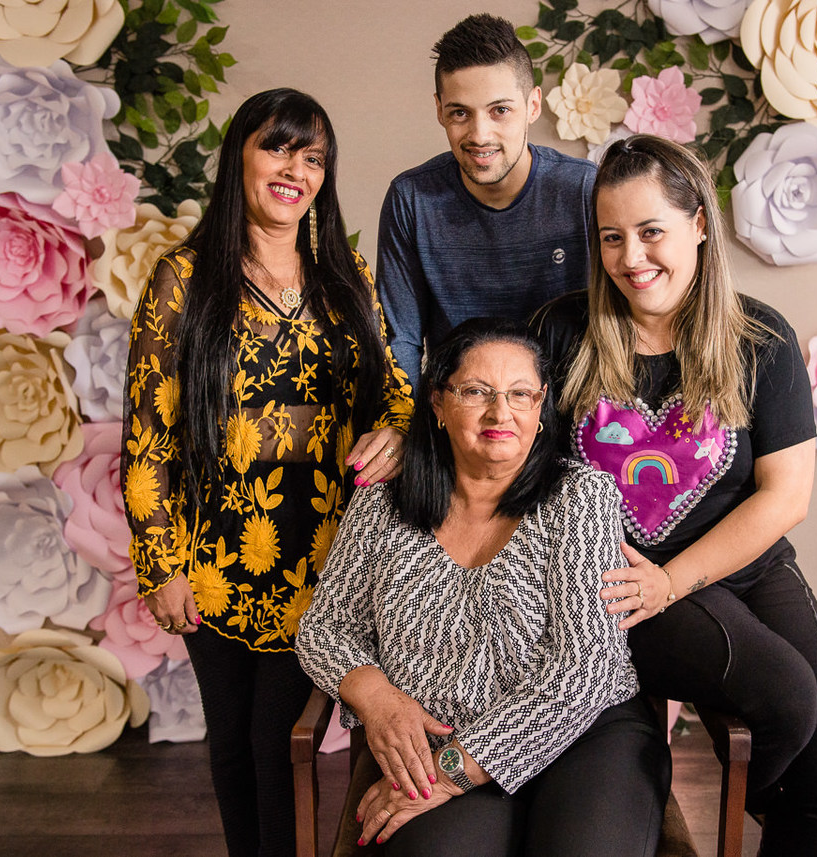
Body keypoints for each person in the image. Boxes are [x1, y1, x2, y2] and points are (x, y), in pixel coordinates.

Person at [532, 135, 817, 856]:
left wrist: (678, 578)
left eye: (650, 231)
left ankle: (776, 807)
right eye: (612, 237)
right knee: (786, 694)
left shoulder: (760, 338)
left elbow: (785, 497)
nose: (631, 257)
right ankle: (759, 795)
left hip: (744, 564)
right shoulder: (562, 332)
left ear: (697, 225)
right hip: (621, 583)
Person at [122, 88, 412, 857]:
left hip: (321, 554)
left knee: (279, 740)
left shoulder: (344, 273)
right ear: (239, 158)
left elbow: (393, 391)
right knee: (231, 741)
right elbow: (148, 434)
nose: (296, 170)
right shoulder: (183, 279)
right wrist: (160, 563)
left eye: (313, 157)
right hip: (212, 558)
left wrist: (398, 430)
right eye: (277, 148)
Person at [296, 318, 670, 857]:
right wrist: (375, 697)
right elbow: (324, 629)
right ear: (438, 402)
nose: (501, 413)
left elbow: (585, 671)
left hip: (585, 737)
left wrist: (455, 771)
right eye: (476, 392)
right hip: (444, 736)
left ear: (541, 407)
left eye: (521, 394)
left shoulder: (579, 496)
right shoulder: (382, 502)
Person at [377, 13, 596, 385]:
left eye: (500, 111)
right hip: (457, 407)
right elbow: (401, 341)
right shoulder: (412, 199)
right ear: (439, 110)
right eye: (460, 113)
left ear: (533, 105)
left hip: (571, 405)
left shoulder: (583, 189)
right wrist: (404, 417)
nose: (480, 134)